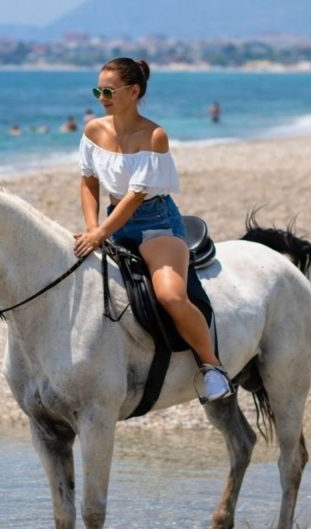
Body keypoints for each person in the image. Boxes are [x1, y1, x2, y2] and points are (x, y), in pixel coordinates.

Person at [73, 57, 233, 403]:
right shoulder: (93, 131)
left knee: (170, 295)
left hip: (156, 223)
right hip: (113, 218)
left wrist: (101, 234)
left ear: (133, 91)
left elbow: (135, 196)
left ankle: (212, 367)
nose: (102, 96)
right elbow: (88, 183)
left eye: (109, 90)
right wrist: (91, 227)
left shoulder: (155, 136)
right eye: (98, 89)